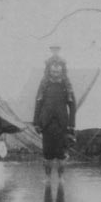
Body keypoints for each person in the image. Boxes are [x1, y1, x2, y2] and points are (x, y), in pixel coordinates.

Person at [33, 46, 76, 180]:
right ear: (48, 68)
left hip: (62, 123)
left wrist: (71, 125)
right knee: (47, 152)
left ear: (63, 68)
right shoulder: (44, 83)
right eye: (53, 66)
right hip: (46, 123)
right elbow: (38, 102)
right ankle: (47, 178)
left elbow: (72, 105)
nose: (56, 69)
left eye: (58, 66)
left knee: (61, 152)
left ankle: (60, 177)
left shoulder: (66, 84)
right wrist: (36, 122)